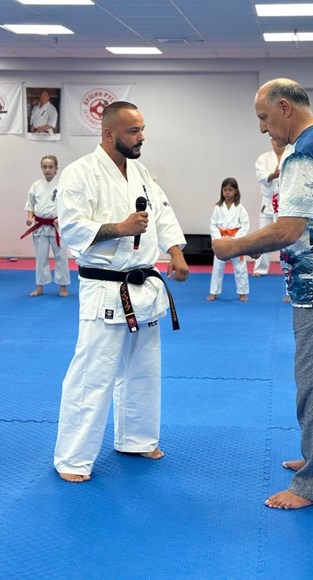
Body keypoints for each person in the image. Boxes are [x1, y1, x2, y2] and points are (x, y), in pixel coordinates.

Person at [212, 78, 313, 510]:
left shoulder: (303, 154)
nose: (262, 128)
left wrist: (231, 247)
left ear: (284, 107)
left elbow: (289, 228)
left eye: (263, 117)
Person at [53, 101, 189, 483]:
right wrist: (121, 227)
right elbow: (72, 227)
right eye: (133, 131)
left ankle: (136, 439)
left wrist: (176, 252)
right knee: (92, 374)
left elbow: (162, 213)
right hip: (105, 287)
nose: (141, 137)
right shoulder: (80, 173)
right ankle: (72, 458)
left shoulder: (140, 171)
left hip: (144, 285)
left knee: (144, 369)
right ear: (109, 133)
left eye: (142, 129)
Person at [22, 155, 70, 297]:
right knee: (41, 257)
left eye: (50, 167)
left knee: (61, 257)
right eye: (45, 167)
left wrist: (61, 218)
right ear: (41, 168)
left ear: (56, 168)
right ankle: (40, 286)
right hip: (40, 226)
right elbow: (30, 204)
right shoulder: (36, 186)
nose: (47, 169)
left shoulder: (63, 185)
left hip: (57, 227)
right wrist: (29, 218)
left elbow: (69, 206)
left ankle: (63, 286)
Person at [207, 177, 250, 302]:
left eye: (230, 190)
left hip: (236, 241)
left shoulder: (240, 208)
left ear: (235, 191)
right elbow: (213, 225)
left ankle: (242, 293)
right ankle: (214, 292)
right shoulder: (218, 207)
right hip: (221, 240)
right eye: (225, 189)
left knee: (240, 267)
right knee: (217, 267)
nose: (227, 192)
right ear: (222, 191)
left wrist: (235, 240)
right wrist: (218, 239)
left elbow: (245, 225)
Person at [252, 139, 287, 277]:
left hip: (286, 202)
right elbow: (261, 176)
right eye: (273, 140)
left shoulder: (291, 155)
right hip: (268, 201)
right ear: (271, 142)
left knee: (286, 236)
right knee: (264, 235)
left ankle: (288, 267)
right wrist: (273, 175)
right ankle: (260, 268)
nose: (276, 142)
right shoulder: (264, 158)